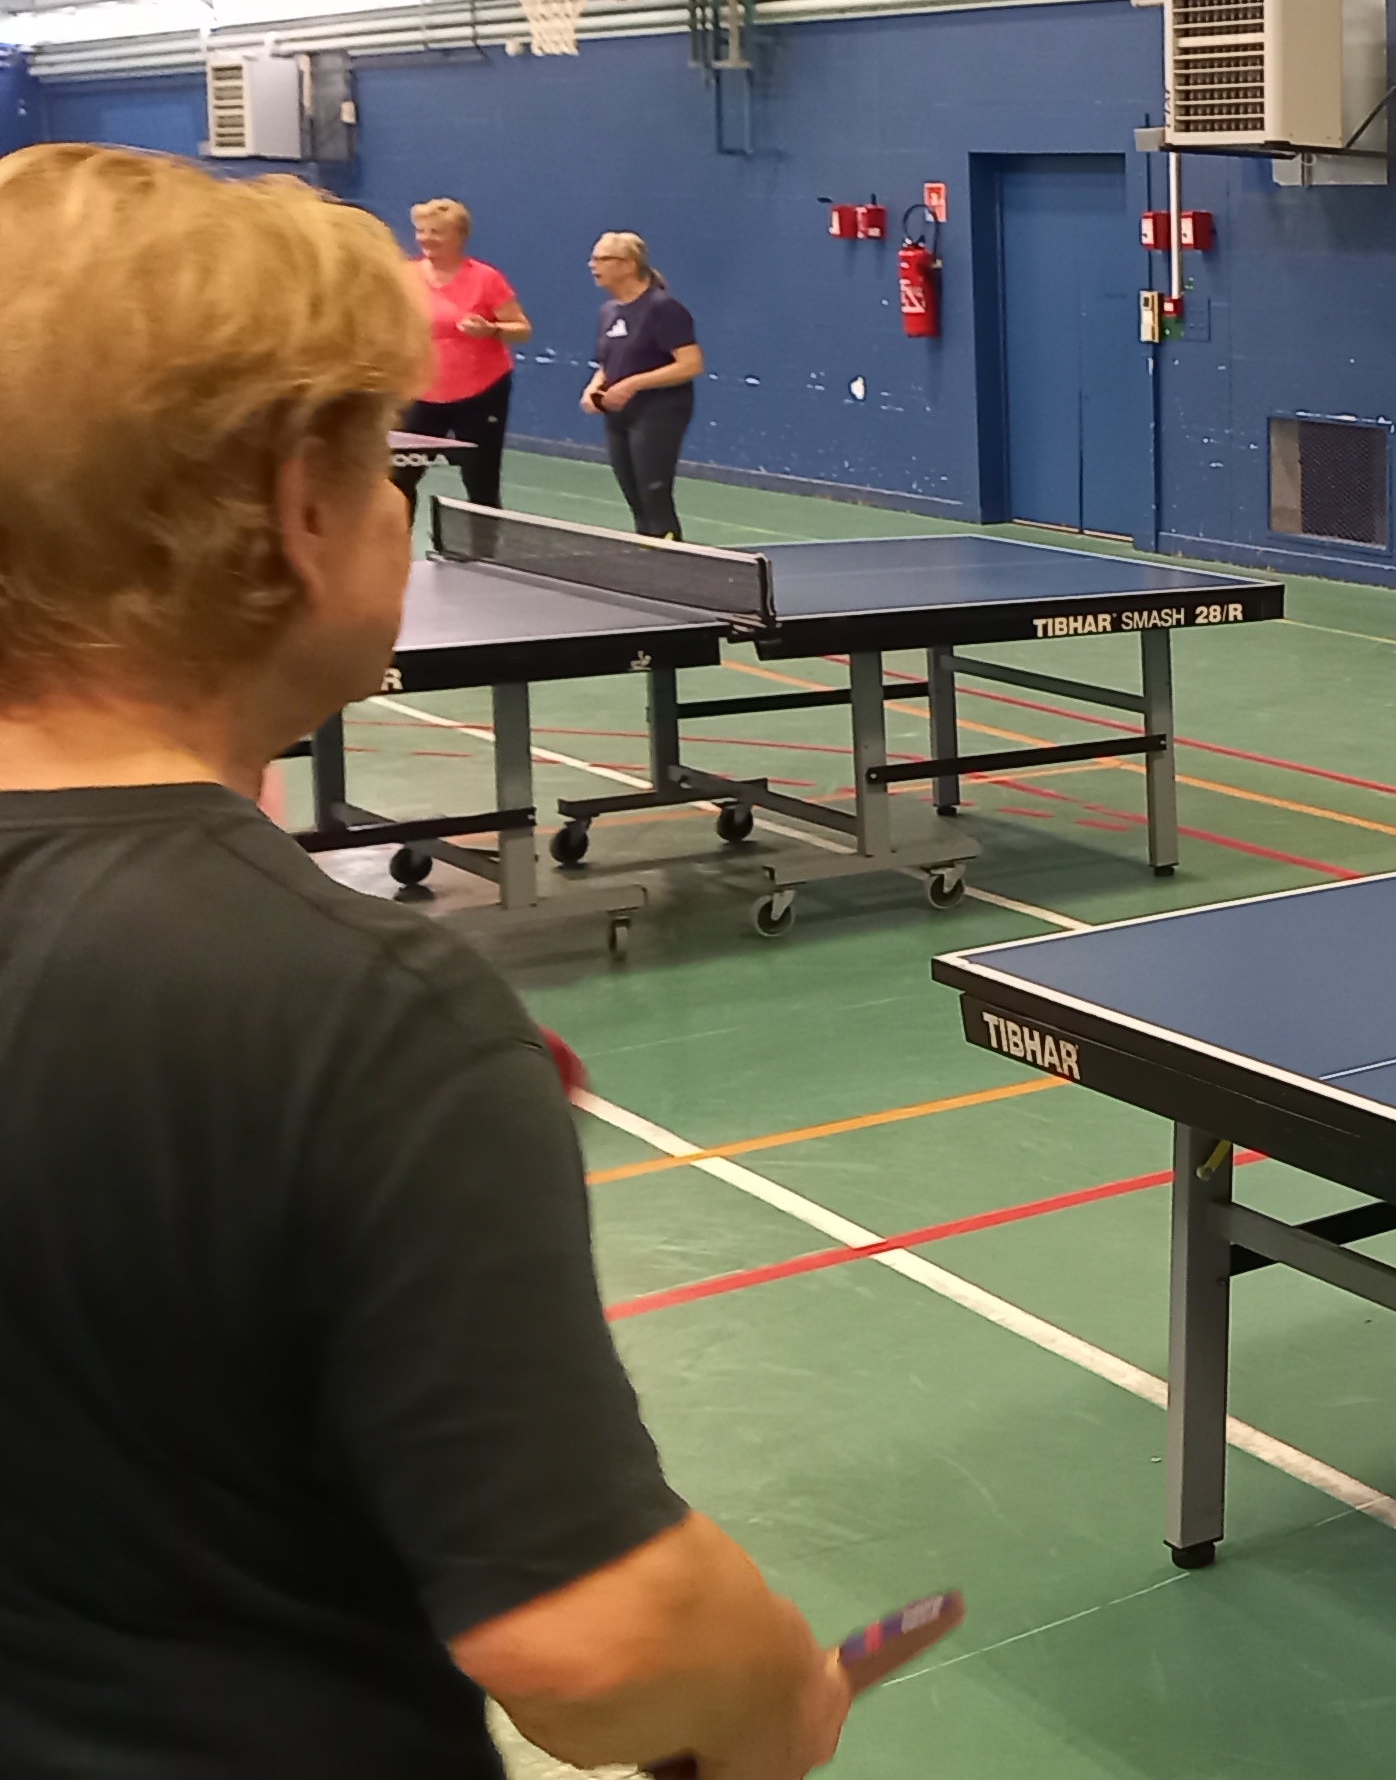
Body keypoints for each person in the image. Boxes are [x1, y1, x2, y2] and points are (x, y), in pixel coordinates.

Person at [0, 145, 854, 1776]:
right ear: (301, 510)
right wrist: (767, 1695)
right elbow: (597, 1644)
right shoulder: (358, 1010)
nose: (402, 503)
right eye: (382, 459)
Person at [394, 196, 529, 522]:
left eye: (436, 232)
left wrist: (491, 330)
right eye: (421, 231)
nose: (426, 238)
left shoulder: (486, 278)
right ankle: (395, 546)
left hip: (480, 394)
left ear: (459, 236)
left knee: (481, 482)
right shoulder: (404, 276)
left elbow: (522, 329)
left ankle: (484, 548)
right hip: (420, 394)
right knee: (399, 481)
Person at [585, 230, 704, 541]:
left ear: (628, 264)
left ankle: (671, 558)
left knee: (655, 498)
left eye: (602, 259)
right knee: (636, 500)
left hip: (659, 411)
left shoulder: (663, 308)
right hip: (618, 416)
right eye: (593, 259)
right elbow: (608, 363)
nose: (593, 265)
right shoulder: (608, 311)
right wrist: (594, 387)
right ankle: (646, 557)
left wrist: (632, 384)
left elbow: (691, 364)